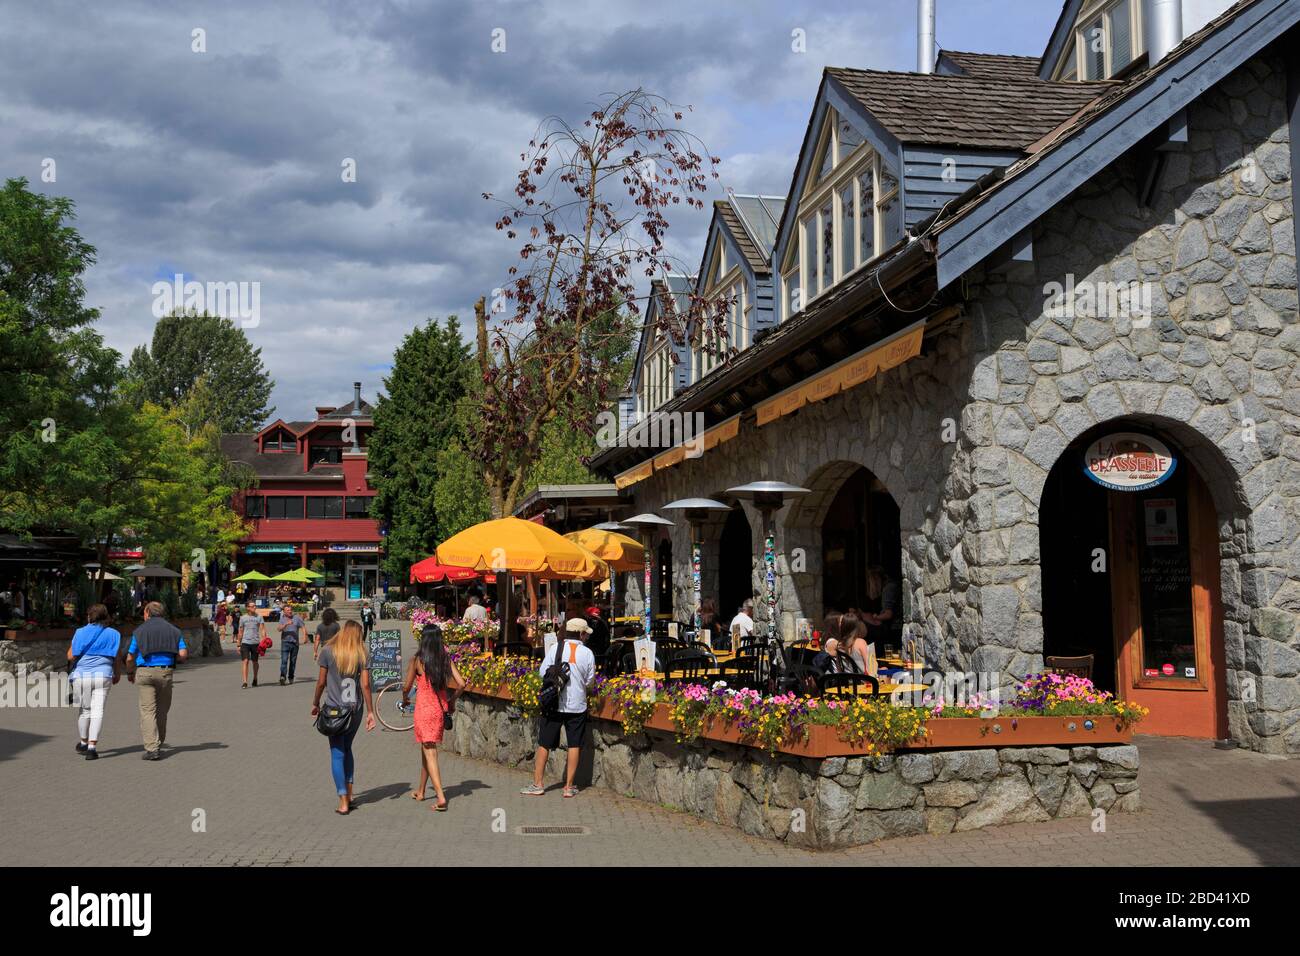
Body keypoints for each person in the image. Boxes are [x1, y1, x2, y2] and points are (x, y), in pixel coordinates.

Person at [521, 617, 596, 799]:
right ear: (580, 633)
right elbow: (589, 681)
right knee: (574, 744)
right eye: (585, 633)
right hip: (577, 704)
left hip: (554, 703)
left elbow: (542, 673)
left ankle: (538, 784)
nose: (586, 636)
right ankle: (568, 787)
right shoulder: (587, 653)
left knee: (544, 743)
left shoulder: (556, 648)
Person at [312, 620, 377, 815]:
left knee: (337, 752)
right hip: (354, 709)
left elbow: (321, 682)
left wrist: (315, 703)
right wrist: (370, 711)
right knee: (347, 748)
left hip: (334, 710)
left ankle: (342, 800)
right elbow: (366, 685)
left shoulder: (328, 651)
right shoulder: (362, 653)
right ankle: (349, 794)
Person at [402, 624, 465, 811]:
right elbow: (461, 683)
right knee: (426, 748)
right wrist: (452, 700)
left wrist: (405, 699)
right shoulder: (444, 659)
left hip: (423, 710)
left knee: (430, 752)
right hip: (438, 710)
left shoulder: (418, 660)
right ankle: (421, 791)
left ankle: (440, 797)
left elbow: (406, 687)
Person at [124, 601, 188, 761]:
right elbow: (183, 655)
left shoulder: (139, 631)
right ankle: (159, 742)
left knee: (147, 711)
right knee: (162, 710)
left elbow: (130, 656)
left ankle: (152, 748)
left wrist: (130, 671)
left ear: (147, 613)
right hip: (165, 672)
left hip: (144, 672)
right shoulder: (174, 630)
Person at [67, 604, 123, 761]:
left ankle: (83, 742)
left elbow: (71, 656)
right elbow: (117, 657)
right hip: (103, 675)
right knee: (98, 711)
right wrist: (117, 674)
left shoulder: (80, 632)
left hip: (81, 676)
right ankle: (92, 747)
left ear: (89, 616)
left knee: (85, 711)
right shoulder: (114, 634)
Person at [864, 566, 902, 649]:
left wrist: (876, 617)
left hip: (894, 628)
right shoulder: (891, 586)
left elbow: (888, 614)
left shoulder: (889, 588)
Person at [236, 601, 268, 688]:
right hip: (245, 642)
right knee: (245, 661)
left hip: (256, 643)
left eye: (255, 606)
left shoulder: (259, 617)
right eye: (252, 606)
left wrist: (264, 640)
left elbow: (262, 629)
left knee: (255, 662)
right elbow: (240, 631)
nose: (255, 607)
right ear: (248, 608)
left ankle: (255, 678)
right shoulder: (243, 618)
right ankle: (245, 682)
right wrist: (238, 644)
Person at [278, 604, 305, 684]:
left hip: (295, 643)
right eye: (287, 610)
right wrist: (286, 624)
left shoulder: (297, 618)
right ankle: (283, 676)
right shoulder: (282, 619)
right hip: (285, 642)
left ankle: (291, 676)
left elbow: (303, 627)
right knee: (284, 660)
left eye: (290, 610)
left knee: (293, 661)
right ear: (284, 612)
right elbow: (279, 629)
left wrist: (305, 636)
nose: (289, 612)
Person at [838, 611, 872, 675]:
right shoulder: (860, 642)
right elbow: (870, 668)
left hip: (846, 682)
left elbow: (839, 669)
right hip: (862, 682)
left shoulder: (839, 645)